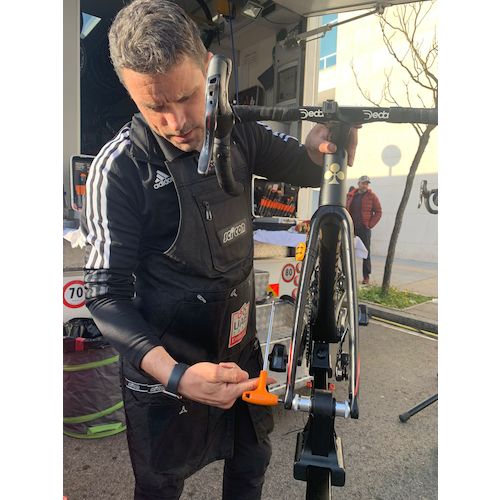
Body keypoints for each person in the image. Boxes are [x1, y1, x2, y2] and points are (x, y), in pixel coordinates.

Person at [80, 1, 359, 498]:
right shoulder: (119, 169)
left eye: (188, 97)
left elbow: (307, 167)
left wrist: (324, 141)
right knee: (160, 486)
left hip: (239, 351)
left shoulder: (238, 130)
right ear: (131, 95)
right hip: (165, 365)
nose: (176, 121)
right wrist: (177, 374)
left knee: (250, 468)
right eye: (154, 107)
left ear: (209, 67)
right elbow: (105, 294)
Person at [346, 175, 382, 285]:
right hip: (351, 228)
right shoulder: (351, 195)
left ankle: (366, 276)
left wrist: (370, 224)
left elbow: (378, 211)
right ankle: (348, 275)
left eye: (367, 183)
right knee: (348, 251)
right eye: (363, 183)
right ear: (359, 183)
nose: (365, 185)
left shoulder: (372, 196)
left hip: (364, 228)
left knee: (366, 252)